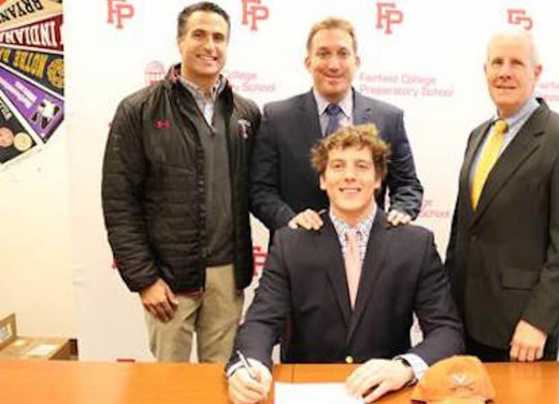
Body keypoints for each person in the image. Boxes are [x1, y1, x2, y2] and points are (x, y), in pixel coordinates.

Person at [227, 124, 463, 404]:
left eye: (362, 166)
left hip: (386, 394)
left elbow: (447, 332)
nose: (349, 176)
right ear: (323, 180)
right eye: (338, 166)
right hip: (308, 391)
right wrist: (247, 366)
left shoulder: (415, 244)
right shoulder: (291, 243)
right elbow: (261, 322)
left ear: (378, 179)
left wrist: (404, 367)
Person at [101, 2, 260, 363]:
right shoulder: (139, 110)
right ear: (179, 41)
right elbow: (119, 200)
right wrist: (144, 279)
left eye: (219, 37)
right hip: (168, 278)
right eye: (199, 35)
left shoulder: (245, 113)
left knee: (221, 381)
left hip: (227, 275)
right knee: (168, 388)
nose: (210, 46)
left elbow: (258, 190)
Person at [445, 28, 559, 363]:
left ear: (536, 72)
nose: (504, 72)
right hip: (463, 323)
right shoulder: (478, 135)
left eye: (516, 63)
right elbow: (464, 229)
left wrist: (539, 322)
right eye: (496, 62)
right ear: (485, 71)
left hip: (521, 331)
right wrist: (444, 308)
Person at [250, 17, 423, 235]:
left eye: (343, 53)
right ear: (308, 62)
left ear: (356, 61)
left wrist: (401, 211)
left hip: (370, 253)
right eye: (323, 54)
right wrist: (291, 220)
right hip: (299, 253)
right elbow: (260, 190)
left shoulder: (388, 118)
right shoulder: (277, 117)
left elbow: (408, 185)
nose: (333, 65)